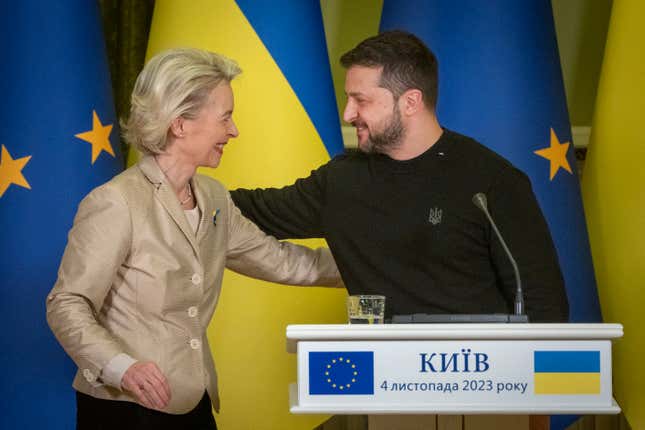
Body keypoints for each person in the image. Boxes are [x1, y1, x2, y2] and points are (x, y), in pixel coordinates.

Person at [46, 47, 341, 430]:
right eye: (226, 118)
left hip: (194, 401)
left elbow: (282, 261)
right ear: (180, 123)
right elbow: (66, 304)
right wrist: (123, 367)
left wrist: (372, 267)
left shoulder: (215, 197)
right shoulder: (116, 202)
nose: (233, 131)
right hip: (125, 407)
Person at [230, 31, 569, 323]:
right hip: (384, 385)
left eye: (360, 100)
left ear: (410, 102)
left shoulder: (493, 182)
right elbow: (251, 210)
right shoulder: (342, 181)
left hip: (484, 383)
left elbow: (543, 305)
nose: (348, 114)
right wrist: (179, 180)